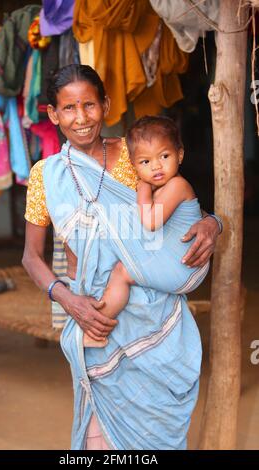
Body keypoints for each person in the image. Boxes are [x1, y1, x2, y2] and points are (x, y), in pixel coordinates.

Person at [22, 64, 222, 450]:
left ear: (106, 105)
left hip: (155, 314)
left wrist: (214, 223)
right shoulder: (46, 176)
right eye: (68, 108)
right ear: (52, 114)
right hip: (97, 315)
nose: (81, 118)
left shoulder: (139, 156)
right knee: (100, 438)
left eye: (90, 105)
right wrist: (69, 300)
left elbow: (185, 206)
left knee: (155, 436)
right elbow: (31, 257)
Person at [82, 115, 209, 348]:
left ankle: (96, 329)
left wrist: (142, 189)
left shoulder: (177, 185)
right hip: (177, 260)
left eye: (164, 156)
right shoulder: (164, 186)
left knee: (121, 272)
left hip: (185, 268)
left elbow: (150, 222)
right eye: (145, 162)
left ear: (180, 155)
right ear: (133, 165)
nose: (156, 166)